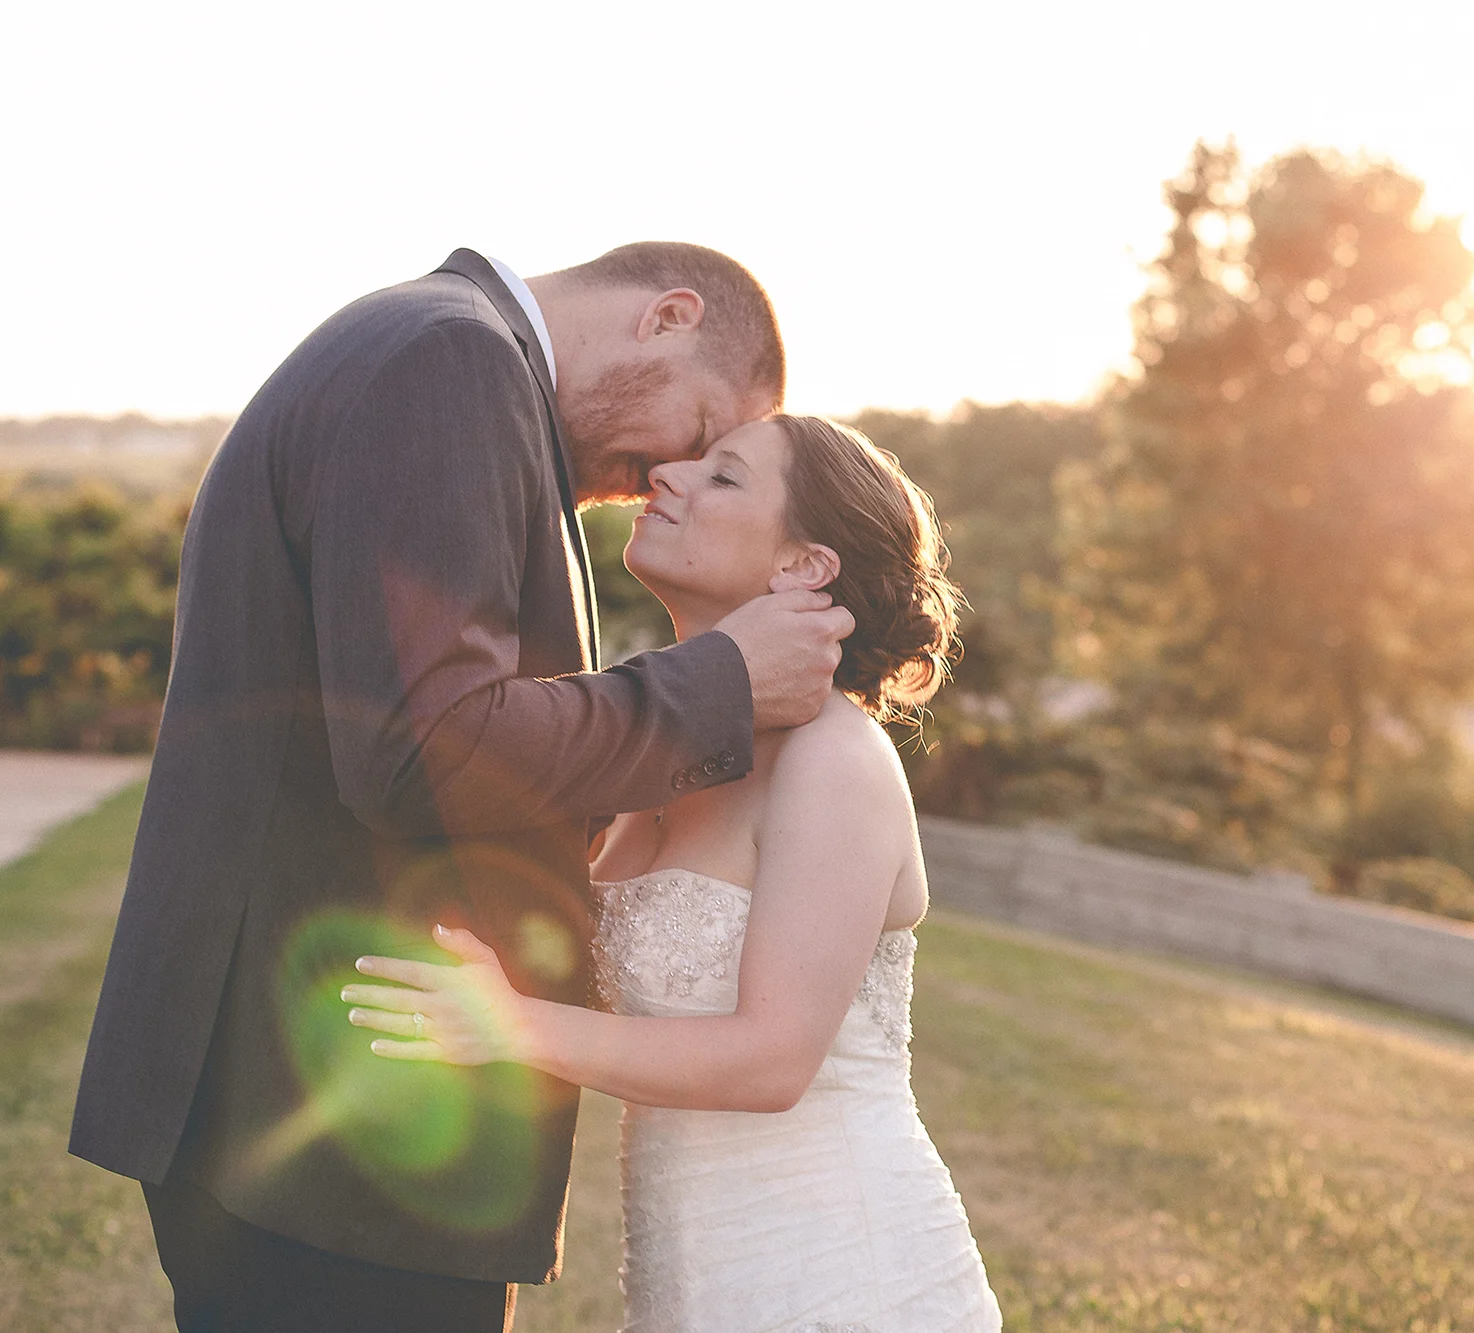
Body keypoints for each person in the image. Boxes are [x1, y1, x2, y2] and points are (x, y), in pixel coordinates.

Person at [69, 246, 853, 1332]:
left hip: (323, 1087)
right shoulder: (449, 365)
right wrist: (719, 684)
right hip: (340, 1104)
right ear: (665, 318)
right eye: (698, 428)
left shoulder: (442, 359)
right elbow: (426, 744)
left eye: (715, 464)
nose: (663, 471)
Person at [344, 415, 1004, 1331]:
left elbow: (773, 1059)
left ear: (803, 566)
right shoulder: (667, 744)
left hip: (840, 1271)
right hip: (686, 1269)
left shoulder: (832, 759)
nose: (671, 476)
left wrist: (511, 1026)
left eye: (724, 477)